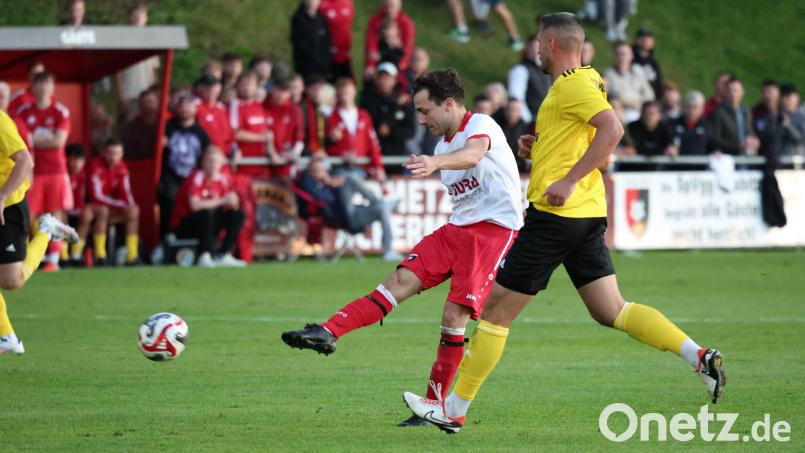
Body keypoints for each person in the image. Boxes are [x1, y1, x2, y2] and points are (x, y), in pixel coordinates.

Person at [403, 13, 726, 433]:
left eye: (538, 41)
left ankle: (453, 409)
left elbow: (612, 130)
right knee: (611, 309)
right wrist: (540, 151)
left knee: (496, 311)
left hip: (557, 217)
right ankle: (697, 357)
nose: (535, 48)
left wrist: (569, 180)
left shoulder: (571, 85)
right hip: (586, 215)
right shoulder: (586, 80)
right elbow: (585, 140)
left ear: (552, 44)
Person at [282, 69, 523, 428]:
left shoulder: (480, 125)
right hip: (456, 230)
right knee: (397, 281)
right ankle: (329, 332)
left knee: (453, 318)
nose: (421, 119)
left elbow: (473, 155)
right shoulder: (442, 146)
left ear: (449, 104)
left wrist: (436, 163)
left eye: (425, 111)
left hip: (492, 232)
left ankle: (433, 406)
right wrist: (438, 158)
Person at [0, 105, 79, 354]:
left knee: (12, 281)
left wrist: (1, 197)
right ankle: (6, 336)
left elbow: (25, 161)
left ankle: (46, 229)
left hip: (9, 206)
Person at [16, 72, 74, 272]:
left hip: (56, 171)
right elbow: (21, 140)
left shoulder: (60, 111)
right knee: (28, 213)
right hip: (33, 171)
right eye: (39, 84)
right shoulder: (23, 111)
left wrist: (34, 139)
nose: (43, 88)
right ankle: (31, 255)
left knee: (55, 213)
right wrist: (40, 139)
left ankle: (54, 259)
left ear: (52, 87)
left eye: (47, 84)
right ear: (34, 87)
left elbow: (59, 140)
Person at [295, 155, 399, 258]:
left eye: (324, 170)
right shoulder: (309, 185)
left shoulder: (320, 183)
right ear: (312, 172)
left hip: (350, 210)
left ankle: (382, 206)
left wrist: (333, 184)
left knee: (383, 209)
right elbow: (326, 200)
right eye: (321, 171)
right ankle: (388, 249)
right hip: (344, 217)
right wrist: (331, 183)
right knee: (349, 180)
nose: (324, 173)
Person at [170, 146, 246, 268]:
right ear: (203, 162)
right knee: (207, 213)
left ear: (221, 163)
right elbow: (194, 205)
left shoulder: (223, 179)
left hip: (210, 224)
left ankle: (223, 254)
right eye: (209, 161)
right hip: (186, 225)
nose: (212, 165)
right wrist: (222, 200)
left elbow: (231, 202)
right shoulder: (196, 177)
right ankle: (204, 254)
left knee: (238, 215)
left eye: (216, 161)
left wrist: (232, 202)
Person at [79, 139, 140, 265]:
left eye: (117, 153)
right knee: (103, 211)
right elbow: (96, 196)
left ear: (122, 154)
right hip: (91, 206)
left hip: (108, 206)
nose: (114, 157)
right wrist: (122, 205)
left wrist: (130, 205)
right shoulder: (95, 166)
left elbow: (126, 191)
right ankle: (100, 255)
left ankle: (132, 256)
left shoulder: (122, 167)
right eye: (111, 153)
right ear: (104, 152)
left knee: (134, 212)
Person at [159, 94, 210, 238]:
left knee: (192, 204)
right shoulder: (167, 126)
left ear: (195, 109)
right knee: (169, 201)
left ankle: (189, 236)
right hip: (170, 173)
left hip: (192, 175)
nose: (185, 109)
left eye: (189, 105)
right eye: (182, 105)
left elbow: (207, 152)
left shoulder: (201, 132)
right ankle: (168, 235)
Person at [324, 78, 386, 182]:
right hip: (340, 167)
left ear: (354, 92)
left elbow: (373, 143)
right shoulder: (331, 117)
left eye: (348, 92)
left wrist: (379, 167)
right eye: (342, 93)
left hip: (361, 167)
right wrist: (341, 154)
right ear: (337, 95)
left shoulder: (364, 116)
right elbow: (326, 146)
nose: (345, 96)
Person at [360, 62, 416, 157]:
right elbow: (371, 126)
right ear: (376, 79)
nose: (383, 81)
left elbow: (410, 131)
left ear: (394, 80)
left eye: (387, 78)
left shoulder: (403, 102)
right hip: (372, 155)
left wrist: (390, 131)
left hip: (397, 155)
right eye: (381, 77)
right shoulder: (368, 101)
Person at [116, 4, 160, 120]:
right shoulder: (123, 40)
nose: (139, 17)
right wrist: (121, 95)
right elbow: (118, 70)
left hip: (149, 95)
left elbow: (154, 70)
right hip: (130, 94)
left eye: (142, 14)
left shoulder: (152, 41)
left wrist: (156, 93)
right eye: (136, 14)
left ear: (146, 18)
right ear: (131, 17)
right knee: (131, 124)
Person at [229, 72, 275, 179]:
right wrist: (262, 138)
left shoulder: (258, 105)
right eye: (243, 84)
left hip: (261, 164)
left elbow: (267, 132)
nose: (247, 88)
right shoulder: (235, 105)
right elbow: (235, 134)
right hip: (244, 165)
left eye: (250, 84)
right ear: (237, 86)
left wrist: (271, 150)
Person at [263, 79, 305, 180]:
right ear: (272, 90)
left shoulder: (294, 109)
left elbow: (299, 137)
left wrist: (292, 154)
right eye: (278, 90)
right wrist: (271, 152)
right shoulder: (262, 105)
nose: (281, 95)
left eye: (285, 92)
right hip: (263, 164)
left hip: (285, 165)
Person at [603, 41, 654, 123]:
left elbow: (649, 95)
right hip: (621, 115)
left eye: (623, 54)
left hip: (641, 112)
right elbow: (603, 97)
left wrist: (636, 104)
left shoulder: (638, 72)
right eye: (618, 54)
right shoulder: (608, 75)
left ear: (631, 56)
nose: (621, 57)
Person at [507, 35, 552, 124]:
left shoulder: (547, 72)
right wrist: (529, 122)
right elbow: (516, 99)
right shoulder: (520, 70)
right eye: (533, 47)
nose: (537, 51)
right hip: (529, 123)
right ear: (527, 50)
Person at [709, 77, 760, 155]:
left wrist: (754, 140)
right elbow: (715, 139)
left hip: (748, 157)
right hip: (729, 158)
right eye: (729, 90)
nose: (732, 93)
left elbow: (750, 131)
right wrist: (739, 145)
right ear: (726, 92)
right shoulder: (718, 112)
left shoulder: (747, 112)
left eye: (735, 90)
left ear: (742, 92)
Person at [364, 0, 415, 80]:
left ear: (399, 7)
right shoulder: (375, 20)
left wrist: (402, 65)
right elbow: (371, 45)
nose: (389, 9)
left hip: (396, 61)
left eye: (392, 6)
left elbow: (407, 46)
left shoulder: (406, 23)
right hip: (379, 61)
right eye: (387, 6)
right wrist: (371, 65)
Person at [291, 0, 332, 82]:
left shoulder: (322, 18)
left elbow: (326, 41)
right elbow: (299, 43)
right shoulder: (298, 19)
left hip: (322, 67)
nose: (312, 2)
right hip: (306, 67)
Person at [194, 74, 234, 156]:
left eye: (214, 86)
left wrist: (234, 149)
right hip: (203, 157)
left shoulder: (222, 108)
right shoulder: (194, 106)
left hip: (222, 157)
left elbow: (230, 134)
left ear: (219, 88)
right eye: (206, 87)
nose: (211, 89)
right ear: (200, 88)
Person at [120, 88, 159, 161]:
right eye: (145, 102)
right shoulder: (130, 128)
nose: (148, 106)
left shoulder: (166, 125)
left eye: (151, 102)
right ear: (140, 105)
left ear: (157, 103)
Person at [319, 0, 355, 81]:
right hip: (328, 55)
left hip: (345, 54)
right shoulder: (321, 4)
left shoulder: (348, 3)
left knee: (346, 84)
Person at [671, 90, 711, 156]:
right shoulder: (672, 124)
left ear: (701, 109)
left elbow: (713, 146)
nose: (691, 110)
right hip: (676, 165)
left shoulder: (707, 126)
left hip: (699, 165)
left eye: (695, 107)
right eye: (688, 106)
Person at [631, 28, 663, 99]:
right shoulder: (630, 59)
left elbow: (659, 83)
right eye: (643, 39)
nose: (646, 41)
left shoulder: (654, 63)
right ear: (636, 40)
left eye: (649, 39)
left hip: (651, 100)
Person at [500, 97, 529, 171]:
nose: (511, 113)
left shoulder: (526, 128)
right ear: (504, 110)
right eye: (509, 109)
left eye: (515, 110)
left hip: (520, 168)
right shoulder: (497, 125)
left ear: (520, 111)